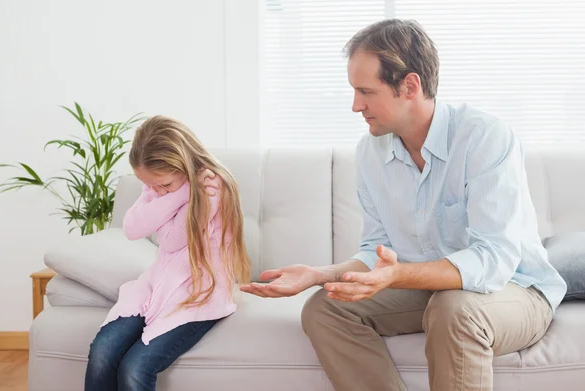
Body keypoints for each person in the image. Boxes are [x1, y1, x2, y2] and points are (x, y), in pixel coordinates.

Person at [240, 19, 567, 391]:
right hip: (432, 290)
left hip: (515, 289)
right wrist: (319, 275)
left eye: (366, 91)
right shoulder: (370, 152)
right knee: (325, 309)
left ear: (409, 86)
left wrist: (398, 275)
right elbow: (375, 252)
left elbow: (493, 260)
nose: (355, 106)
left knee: (454, 310)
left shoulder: (483, 138)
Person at [84, 115, 251, 391]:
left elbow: (172, 239)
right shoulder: (163, 183)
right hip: (158, 285)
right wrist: (176, 192)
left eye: (165, 186)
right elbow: (132, 227)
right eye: (151, 187)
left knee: (135, 368)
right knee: (102, 353)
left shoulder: (212, 187)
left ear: (183, 166)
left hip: (198, 293)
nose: (157, 191)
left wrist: (178, 194)